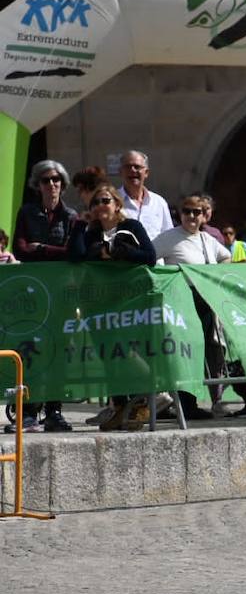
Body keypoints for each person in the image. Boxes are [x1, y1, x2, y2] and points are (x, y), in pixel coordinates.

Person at [69, 182, 158, 432]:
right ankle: (120, 406)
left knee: (126, 348)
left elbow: (149, 256)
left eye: (105, 201)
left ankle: (147, 394)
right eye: (95, 202)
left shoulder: (131, 227)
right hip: (97, 304)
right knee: (108, 354)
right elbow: (75, 255)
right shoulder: (92, 232)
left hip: (128, 301)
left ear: (117, 204)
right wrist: (79, 224)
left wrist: (120, 252)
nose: (100, 206)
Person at [12, 161, 79, 431]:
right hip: (33, 293)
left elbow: (73, 252)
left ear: (62, 184)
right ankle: (28, 411)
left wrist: (41, 248)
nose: (51, 185)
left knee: (60, 351)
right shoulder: (27, 212)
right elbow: (21, 249)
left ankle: (54, 410)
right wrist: (54, 250)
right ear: (37, 185)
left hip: (61, 292)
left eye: (56, 180)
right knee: (33, 351)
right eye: (45, 180)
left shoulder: (72, 215)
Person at [154, 195, 232, 421]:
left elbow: (226, 257)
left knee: (208, 351)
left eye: (196, 212)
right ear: (180, 213)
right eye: (186, 211)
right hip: (182, 301)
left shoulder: (208, 239)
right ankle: (186, 404)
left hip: (206, 301)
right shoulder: (169, 238)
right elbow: (149, 257)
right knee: (186, 351)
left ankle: (202, 401)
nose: (191, 216)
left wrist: (215, 276)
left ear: (203, 215)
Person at [117, 150, 175, 240]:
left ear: (146, 173)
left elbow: (168, 236)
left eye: (137, 167)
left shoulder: (159, 202)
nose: (132, 170)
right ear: (120, 172)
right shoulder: (112, 201)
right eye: (128, 167)